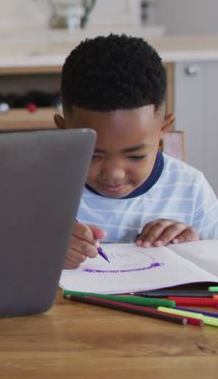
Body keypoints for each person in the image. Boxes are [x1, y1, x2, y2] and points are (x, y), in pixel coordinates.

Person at [56, 34, 218, 269]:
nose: (114, 174)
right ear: (64, 131)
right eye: (93, 155)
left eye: (135, 156)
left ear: (163, 130)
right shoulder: (41, 187)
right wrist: (42, 249)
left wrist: (194, 249)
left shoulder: (190, 190)